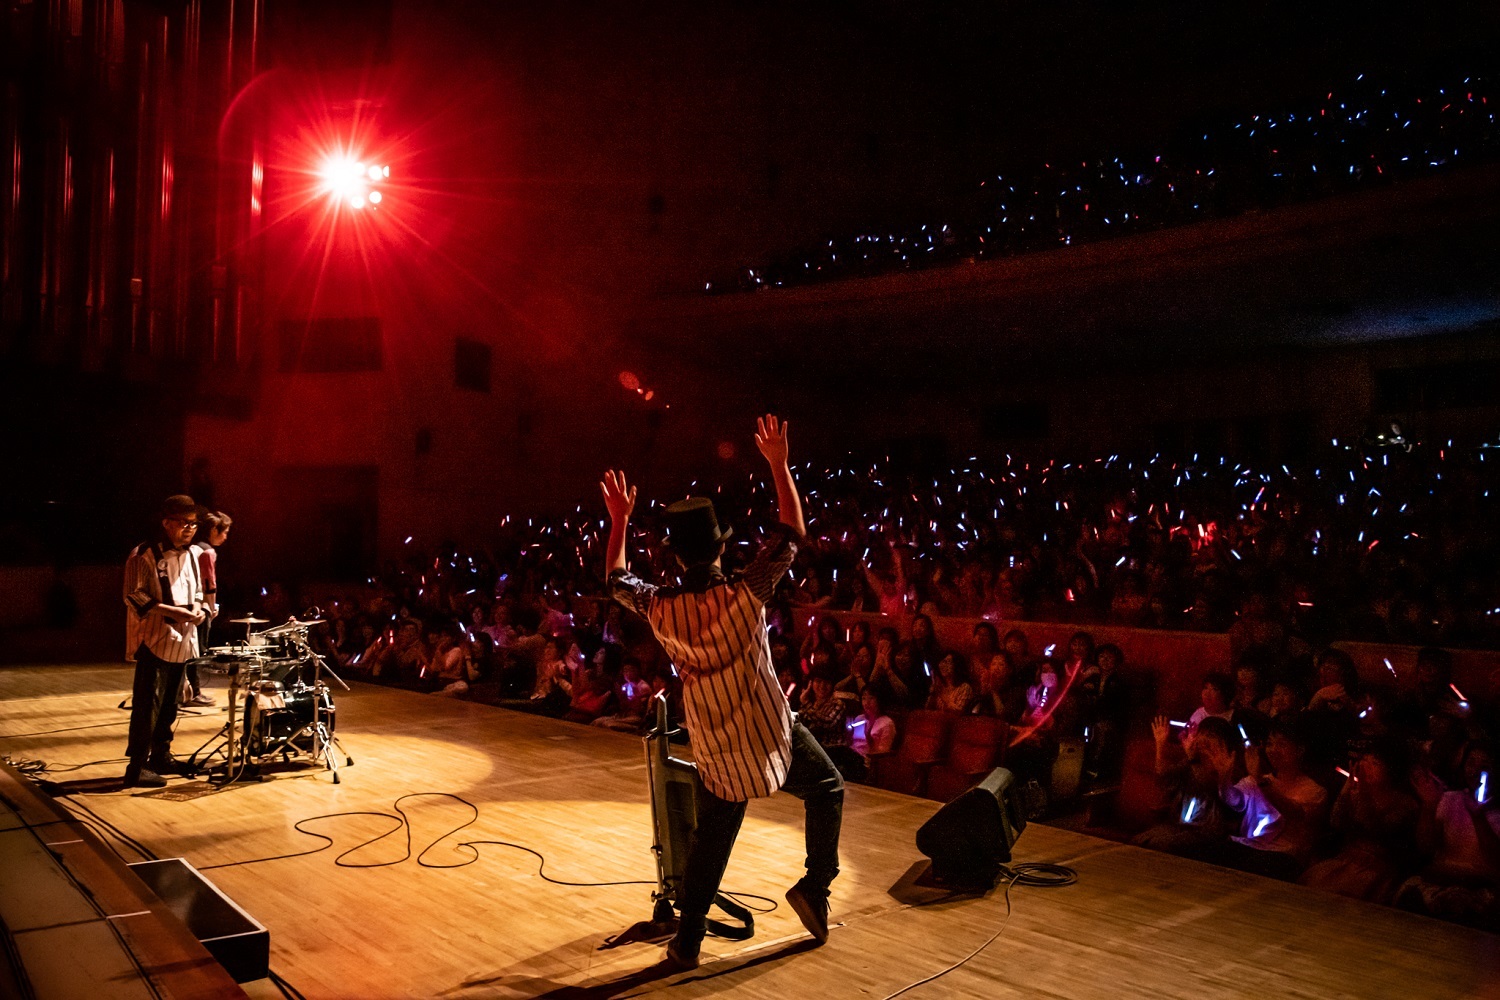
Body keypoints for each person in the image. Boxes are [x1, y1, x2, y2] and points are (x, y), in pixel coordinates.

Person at [604, 414, 843, 970]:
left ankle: (687, 943)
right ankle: (816, 889)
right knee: (827, 787)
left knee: (714, 839)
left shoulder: (661, 606)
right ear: (718, 548)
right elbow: (792, 533)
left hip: (715, 743)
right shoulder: (745, 591)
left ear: (678, 556)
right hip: (768, 732)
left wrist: (618, 520)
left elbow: (616, 580)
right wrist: (779, 465)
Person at [121, 495, 207, 788]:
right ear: (167, 523)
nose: (190, 529)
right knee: (148, 705)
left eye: (194, 524)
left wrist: (197, 608)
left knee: (171, 704)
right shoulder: (143, 553)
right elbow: (134, 595)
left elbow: (197, 590)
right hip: (155, 639)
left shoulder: (195, 553)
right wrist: (171, 611)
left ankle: (161, 755)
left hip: (184, 641)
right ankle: (137, 766)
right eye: (184, 523)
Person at [185, 509, 231, 707]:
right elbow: (209, 584)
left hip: (186, 603)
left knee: (186, 651)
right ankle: (194, 693)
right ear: (213, 529)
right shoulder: (207, 551)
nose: (225, 537)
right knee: (197, 651)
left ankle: (184, 691)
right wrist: (212, 608)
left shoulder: (191, 547)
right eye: (224, 532)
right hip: (201, 606)